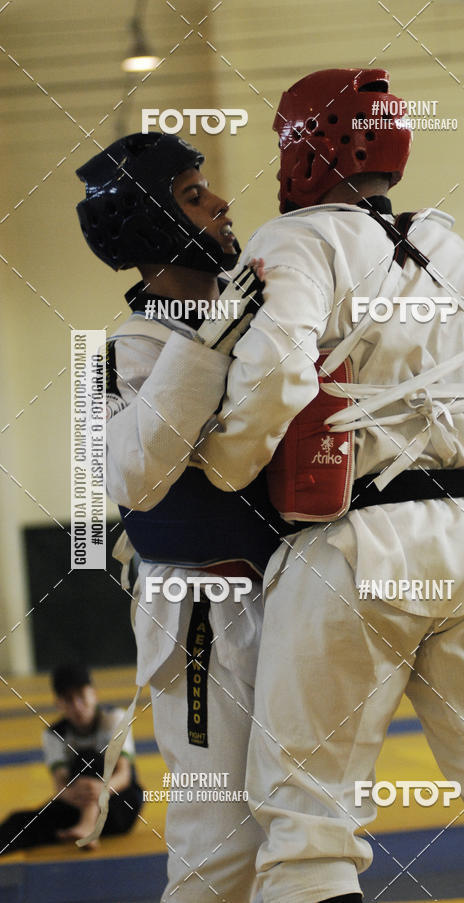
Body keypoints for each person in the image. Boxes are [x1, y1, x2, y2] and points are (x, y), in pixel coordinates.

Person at [197, 68, 464, 903]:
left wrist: (224, 464)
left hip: (354, 544)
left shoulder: (298, 241)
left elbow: (275, 372)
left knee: (307, 818)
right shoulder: (450, 246)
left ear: (304, 150)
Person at [75, 132, 292, 903]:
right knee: (222, 842)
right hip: (200, 613)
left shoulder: (270, 307)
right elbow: (130, 474)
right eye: (195, 196)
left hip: (301, 595)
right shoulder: (115, 357)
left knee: (310, 828)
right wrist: (212, 337)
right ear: (151, 221)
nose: (222, 203)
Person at [0, 664, 142, 855]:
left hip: (119, 805)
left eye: (81, 696)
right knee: (19, 822)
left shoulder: (115, 719)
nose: (77, 706)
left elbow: (124, 776)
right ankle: (85, 825)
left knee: (88, 758)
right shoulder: (54, 734)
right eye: (68, 700)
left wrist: (100, 790)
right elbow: (60, 787)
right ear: (59, 703)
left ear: (94, 694)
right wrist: (76, 795)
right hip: (78, 803)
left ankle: (88, 824)